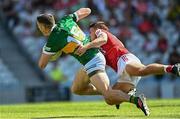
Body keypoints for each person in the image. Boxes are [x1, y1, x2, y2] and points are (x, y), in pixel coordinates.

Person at [36, 8, 150, 116]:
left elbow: (41, 65)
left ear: (43, 26)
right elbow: (87, 10)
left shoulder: (53, 40)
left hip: (93, 60)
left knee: (108, 95)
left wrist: (49, 52)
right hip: (91, 58)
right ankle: (116, 94)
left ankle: (136, 100)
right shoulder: (66, 20)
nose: (38, 28)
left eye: (39, 26)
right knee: (76, 89)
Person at [73, 21, 180, 109]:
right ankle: (131, 95)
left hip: (124, 59)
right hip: (121, 69)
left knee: (141, 70)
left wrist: (86, 46)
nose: (90, 35)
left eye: (90, 32)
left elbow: (103, 39)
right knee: (109, 98)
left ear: (95, 29)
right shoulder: (98, 48)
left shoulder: (100, 32)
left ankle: (172, 68)